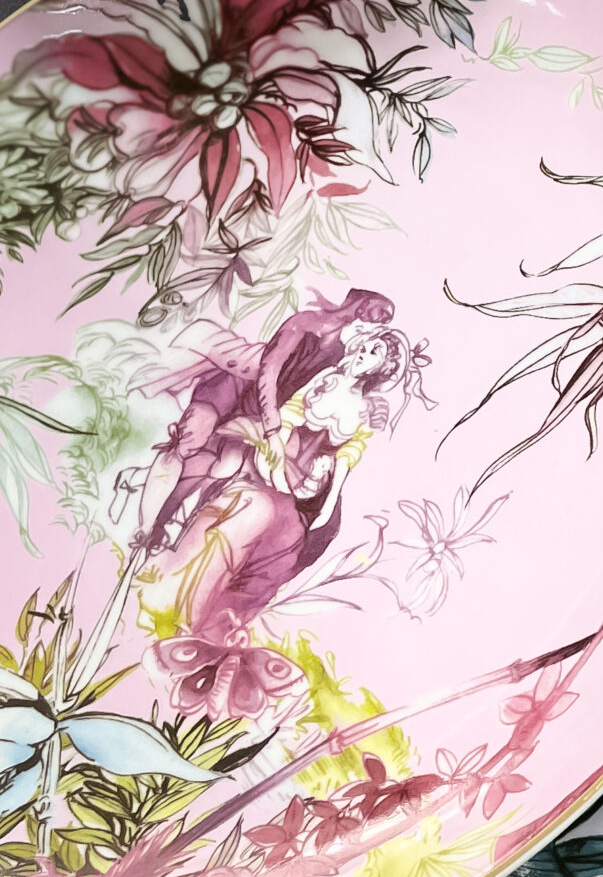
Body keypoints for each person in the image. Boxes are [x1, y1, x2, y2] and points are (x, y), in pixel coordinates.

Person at [133, 291, 427, 715]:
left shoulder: (357, 392)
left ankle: (225, 626)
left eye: (375, 342)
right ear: (359, 309)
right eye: (373, 321)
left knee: (302, 531)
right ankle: (160, 537)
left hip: (298, 465)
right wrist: (268, 434)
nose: (369, 333)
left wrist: (323, 488)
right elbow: (267, 376)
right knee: (221, 476)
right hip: (259, 424)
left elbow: (345, 455)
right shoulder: (308, 330)